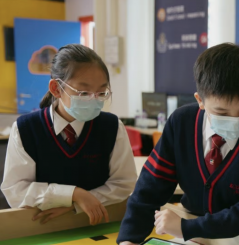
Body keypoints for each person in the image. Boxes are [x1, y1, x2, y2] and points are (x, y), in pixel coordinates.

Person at [117, 43, 239, 245]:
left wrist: (187, 228)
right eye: (221, 112)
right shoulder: (181, 123)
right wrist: (131, 235)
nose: (235, 120)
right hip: (190, 226)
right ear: (200, 101)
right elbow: (152, 183)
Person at [1, 44, 137, 225]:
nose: (94, 99)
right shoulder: (26, 129)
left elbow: (123, 183)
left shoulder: (111, 127)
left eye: (102, 92)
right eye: (83, 92)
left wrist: (78, 204)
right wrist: (74, 194)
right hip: (41, 227)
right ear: (56, 89)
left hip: (97, 223)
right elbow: (15, 190)